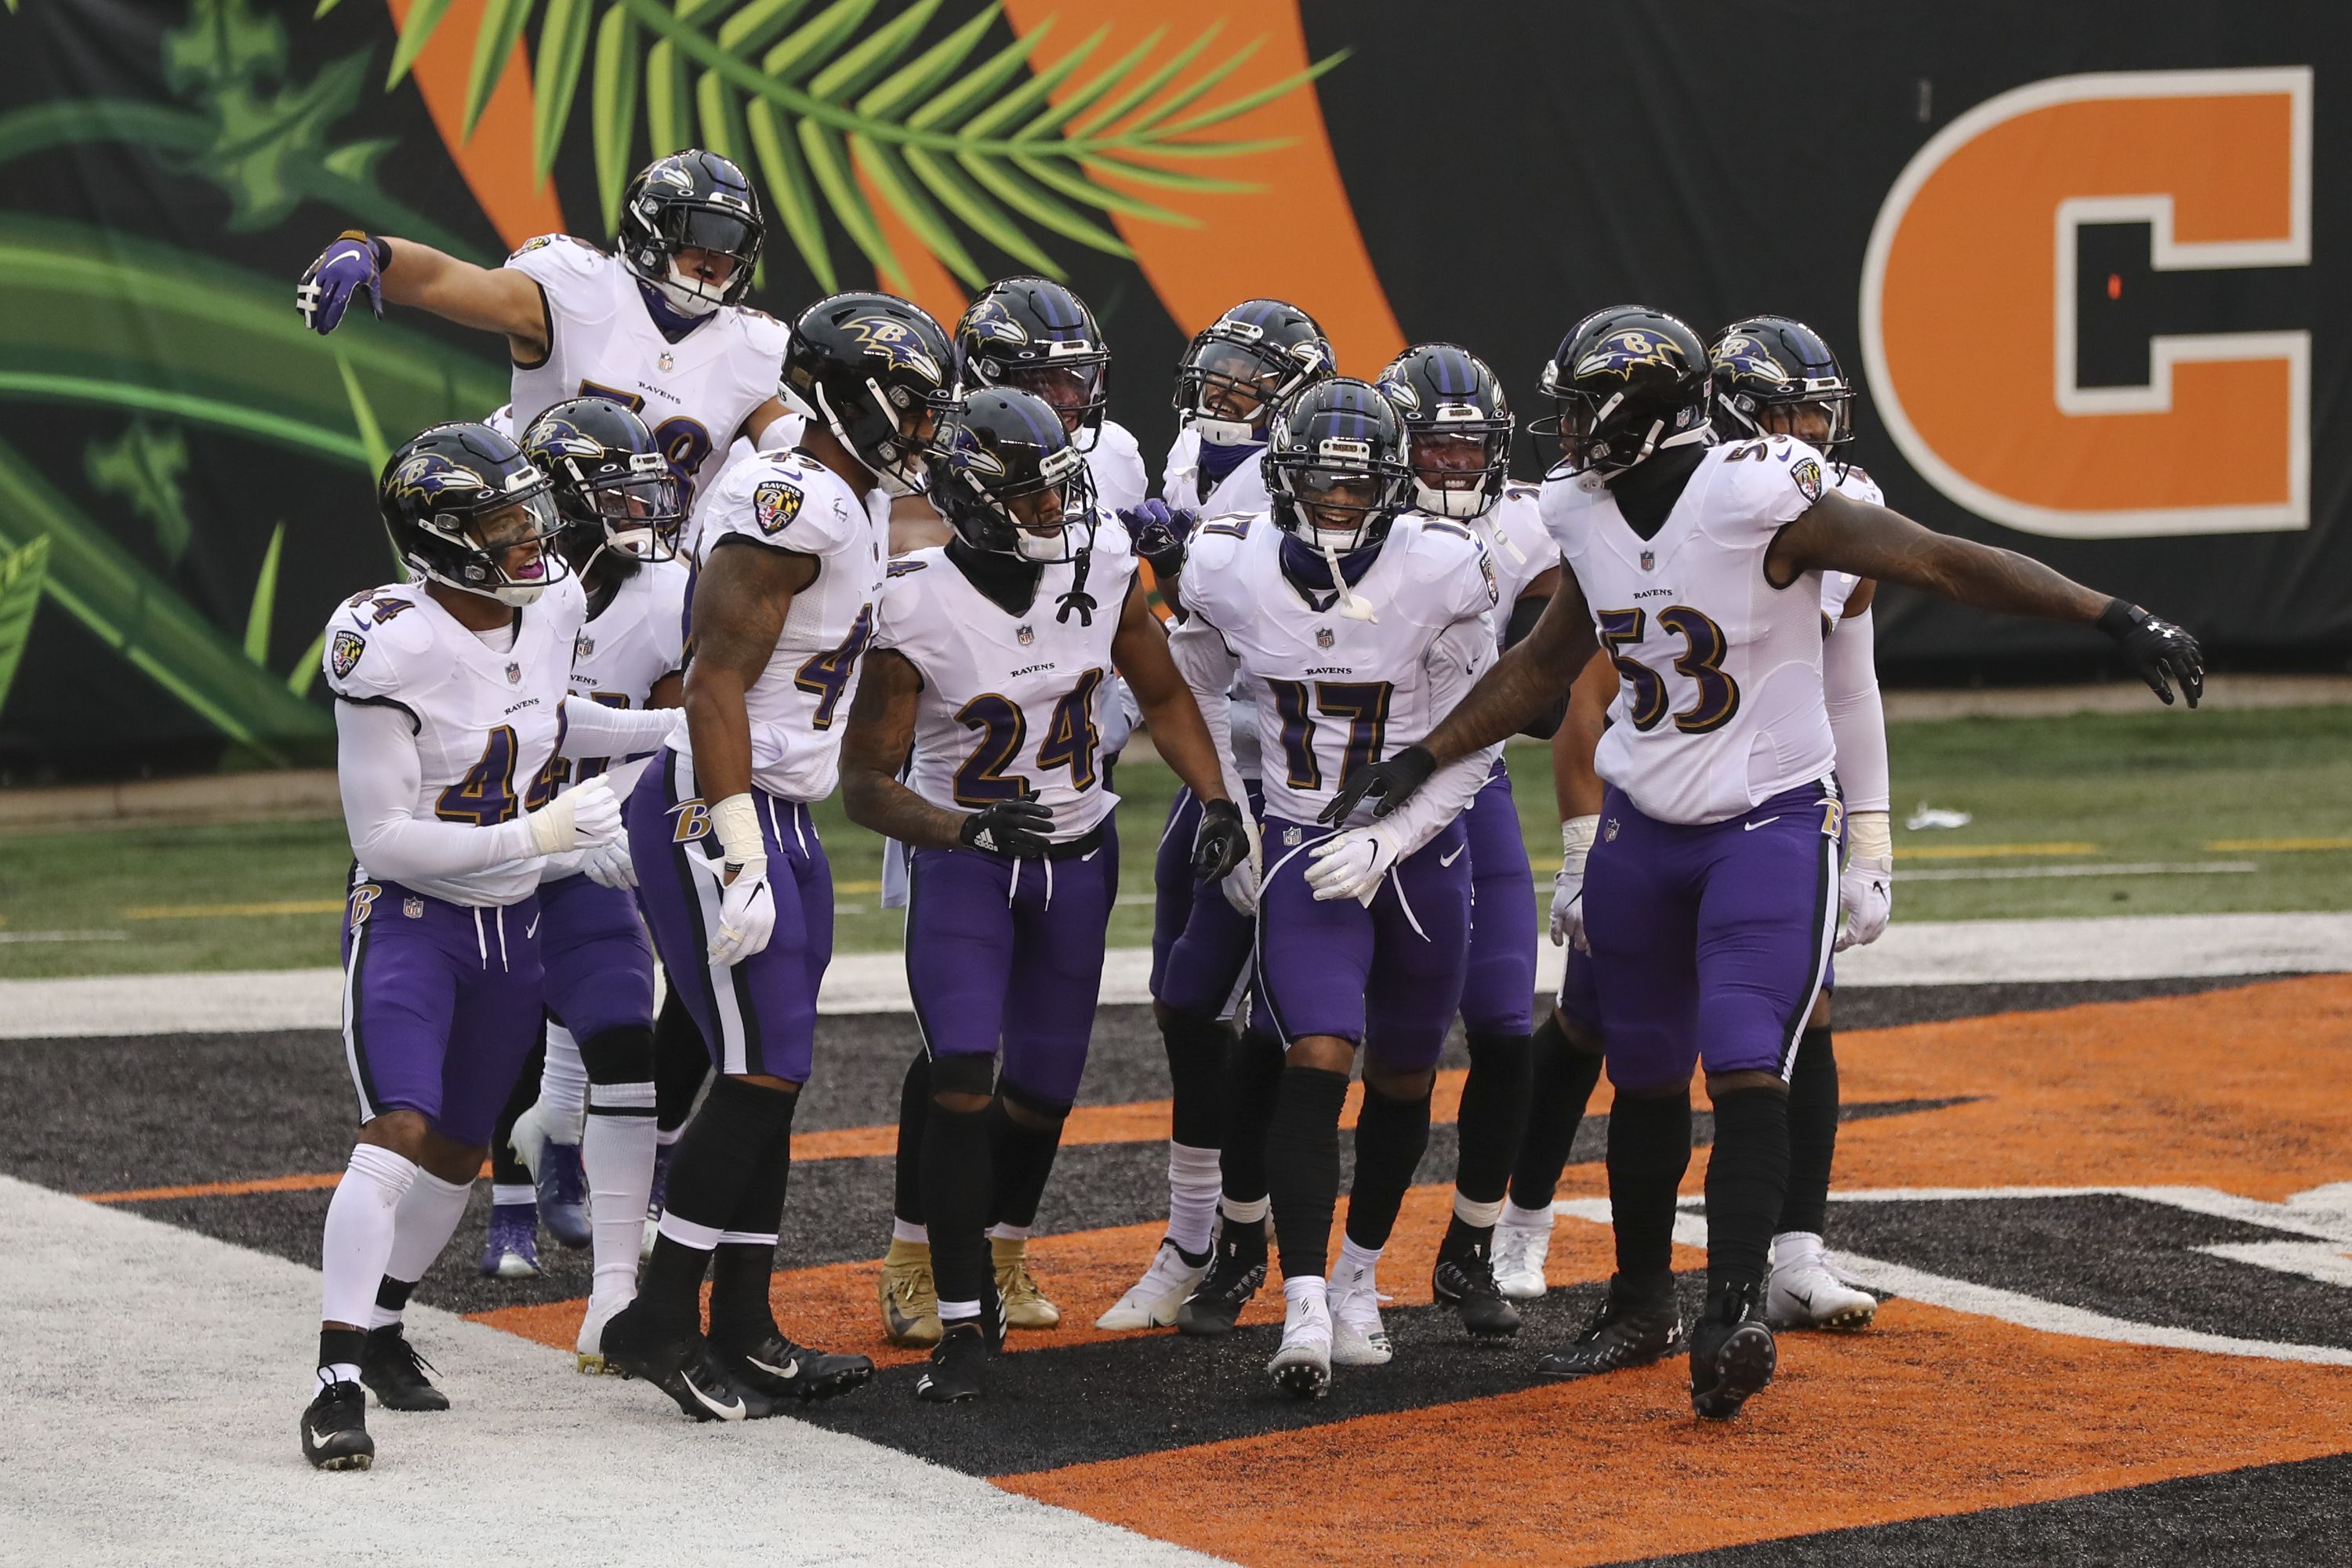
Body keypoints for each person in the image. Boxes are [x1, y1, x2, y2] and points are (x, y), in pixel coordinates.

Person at [1321, 307, 2201, 1420]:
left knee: (1744, 1061)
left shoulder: (1755, 488)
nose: (1569, 427)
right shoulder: (1581, 512)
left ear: (1639, 412)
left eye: (1586, 406)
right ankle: (1643, 1301)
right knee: (1642, 1076)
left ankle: (1733, 1310)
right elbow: (1548, 666)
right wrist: (1420, 760)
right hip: (1645, 828)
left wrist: (2107, 613)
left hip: (1768, 823)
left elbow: (1935, 558)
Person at [842, 387, 1253, 1401]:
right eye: (1029, 497)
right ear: (975, 501)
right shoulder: (912, 602)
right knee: (963, 1074)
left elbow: (1162, 693)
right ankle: (961, 1324)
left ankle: (995, 1255)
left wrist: (1215, 800)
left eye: (1057, 491)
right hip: (971, 862)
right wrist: (963, 829)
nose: (1053, 513)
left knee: (1044, 1091)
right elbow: (865, 786)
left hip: (1076, 854)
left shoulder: (1103, 562)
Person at [1492, 317, 1895, 1338]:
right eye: (1791, 416)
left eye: (1816, 415)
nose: (1810, 433)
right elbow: (1586, 695)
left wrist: (1872, 837)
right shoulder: (1630, 510)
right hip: (1648, 816)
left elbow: (1849, 685)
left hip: (1765, 815)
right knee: (1600, 1028)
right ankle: (1520, 1224)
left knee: (1790, 1027)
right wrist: (1582, 846)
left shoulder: (1815, 510)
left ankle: (1791, 1254)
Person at [597, 292, 956, 1422]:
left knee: (774, 1074)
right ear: (849, 394)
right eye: (911, 400)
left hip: (778, 807)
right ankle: (658, 1318)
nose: (925, 423)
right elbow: (711, 682)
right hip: (722, 805)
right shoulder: (787, 496)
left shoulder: (847, 492)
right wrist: (737, 846)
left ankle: (743, 1323)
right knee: (758, 1071)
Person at [301, 423, 681, 1470]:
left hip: (511, 926)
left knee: (463, 1152)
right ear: (443, 540)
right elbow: (380, 837)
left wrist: (661, 731)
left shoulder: (551, 603)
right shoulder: (389, 640)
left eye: (529, 512)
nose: (531, 535)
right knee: (396, 1129)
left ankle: (380, 1326)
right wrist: (542, 835)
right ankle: (334, 1380)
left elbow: (538, 720)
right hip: (413, 923)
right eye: (503, 521)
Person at [1167, 379, 1504, 1397]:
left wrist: (1393, 838)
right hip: (1303, 843)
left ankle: (1361, 1276)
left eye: (1359, 488)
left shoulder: (1443, 570)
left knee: (1405, 1077)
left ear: (1393, 488)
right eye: (1322, 482)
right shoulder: (1229, 571)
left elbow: (1475, 736)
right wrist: (1228, 808)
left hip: (1418, 857)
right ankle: (1305, 1302)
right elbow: (1182, 682)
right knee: (1313, 1051)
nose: (1340, 504)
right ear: (1284, 477)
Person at [876, 278, 1158, 1345]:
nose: (1067, 399)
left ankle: (997, 1249)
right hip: (961, 787)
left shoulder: (1114, 460)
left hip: (1076, 761)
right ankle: (917, 1254)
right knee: (956, 1042)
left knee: (1042, 1056)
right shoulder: (931, 478)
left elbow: (1128, 613)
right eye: (1042, 380)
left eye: (1076, 377)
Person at [1092, 299, 1337, 1336]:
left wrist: (1201, 549)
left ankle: (1278, 1252)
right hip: (1216, 769)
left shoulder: (1331, 468)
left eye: (1250, 384)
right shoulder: (1192, 451)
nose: (1224, 398)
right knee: (1186, 1005)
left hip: (1304, 779)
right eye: (1221, 377)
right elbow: (1183, 646)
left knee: (1294, 1027)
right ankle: (1203, 1234)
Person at [1370, 343, 1566, 1341]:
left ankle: (1470, 1243)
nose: (1451, 466)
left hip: (1468, 786)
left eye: (1467, 447)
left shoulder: (1527, 523)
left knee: (1501, 1025)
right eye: (1433, 447)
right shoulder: (1344, 509)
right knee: (1314, 1039)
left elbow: (1542, 704)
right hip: (1350, 793)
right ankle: (1269, 1247)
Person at [296, 148, 797, 510]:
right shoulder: (581, 289)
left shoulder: (757, 348)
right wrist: (375, 254)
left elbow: (807, 457)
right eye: (701, 239)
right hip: (531, 539)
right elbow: (449, 280)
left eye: (732, 244)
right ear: (653, 230)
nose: (717, 260)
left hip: (651, 575)